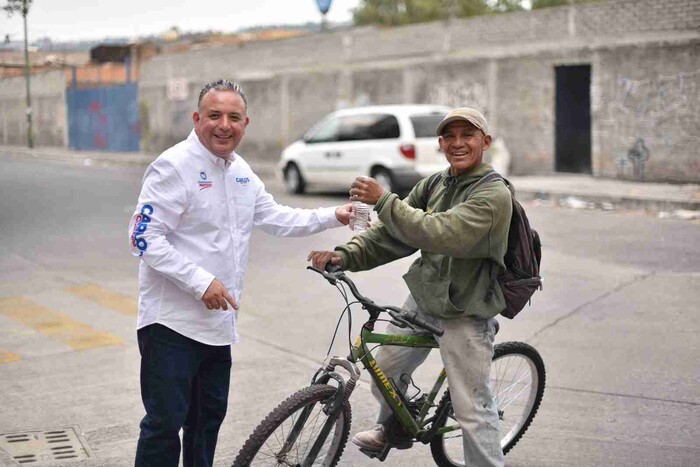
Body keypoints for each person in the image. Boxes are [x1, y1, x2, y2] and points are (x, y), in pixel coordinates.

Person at [128, 79, 352, 467]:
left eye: (234, 117)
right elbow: (143, 237)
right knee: (164, 425)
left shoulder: (240, 171)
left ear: (245, 123)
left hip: (217, 327)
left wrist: (334, 214)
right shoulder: (173, 166)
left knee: (206, 423)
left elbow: (276, 217)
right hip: (171, 326)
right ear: (197, 119)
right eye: (214, 116)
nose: (224, 125)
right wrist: (201, 283)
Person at [308, 107, 511, 467]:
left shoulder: (493, 195)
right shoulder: (435, 184)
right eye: (450, 136)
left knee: (472, 411)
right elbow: (392, 234)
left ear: (485, 141)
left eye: (468, 135)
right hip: (424, 296)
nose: (458, 143)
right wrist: (345, 255)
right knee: (385, 367)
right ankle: (395, 429)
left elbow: (441, 233)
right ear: (441, 143)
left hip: (466, 310)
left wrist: (385, 200)